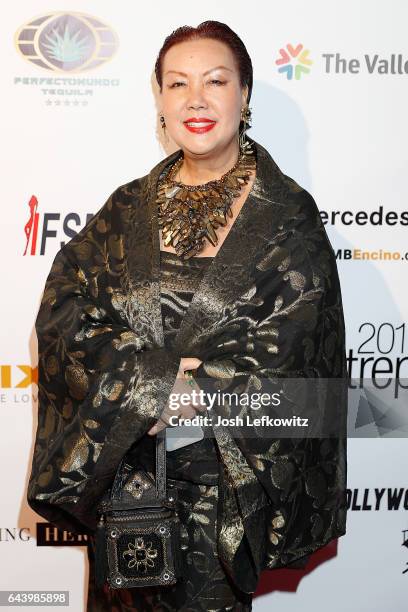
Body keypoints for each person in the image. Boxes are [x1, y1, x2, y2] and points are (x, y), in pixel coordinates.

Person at [27, 20, 348, 612]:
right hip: (125, 490)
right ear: (160, 99)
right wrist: (154, 381)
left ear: (244, 96)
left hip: (220, 504)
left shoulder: (289, 220)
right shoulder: (125, 209)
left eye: (215, 81)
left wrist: (195, 391)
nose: (195, 99)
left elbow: (301, 369)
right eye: (177, 84)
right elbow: (65, 316)